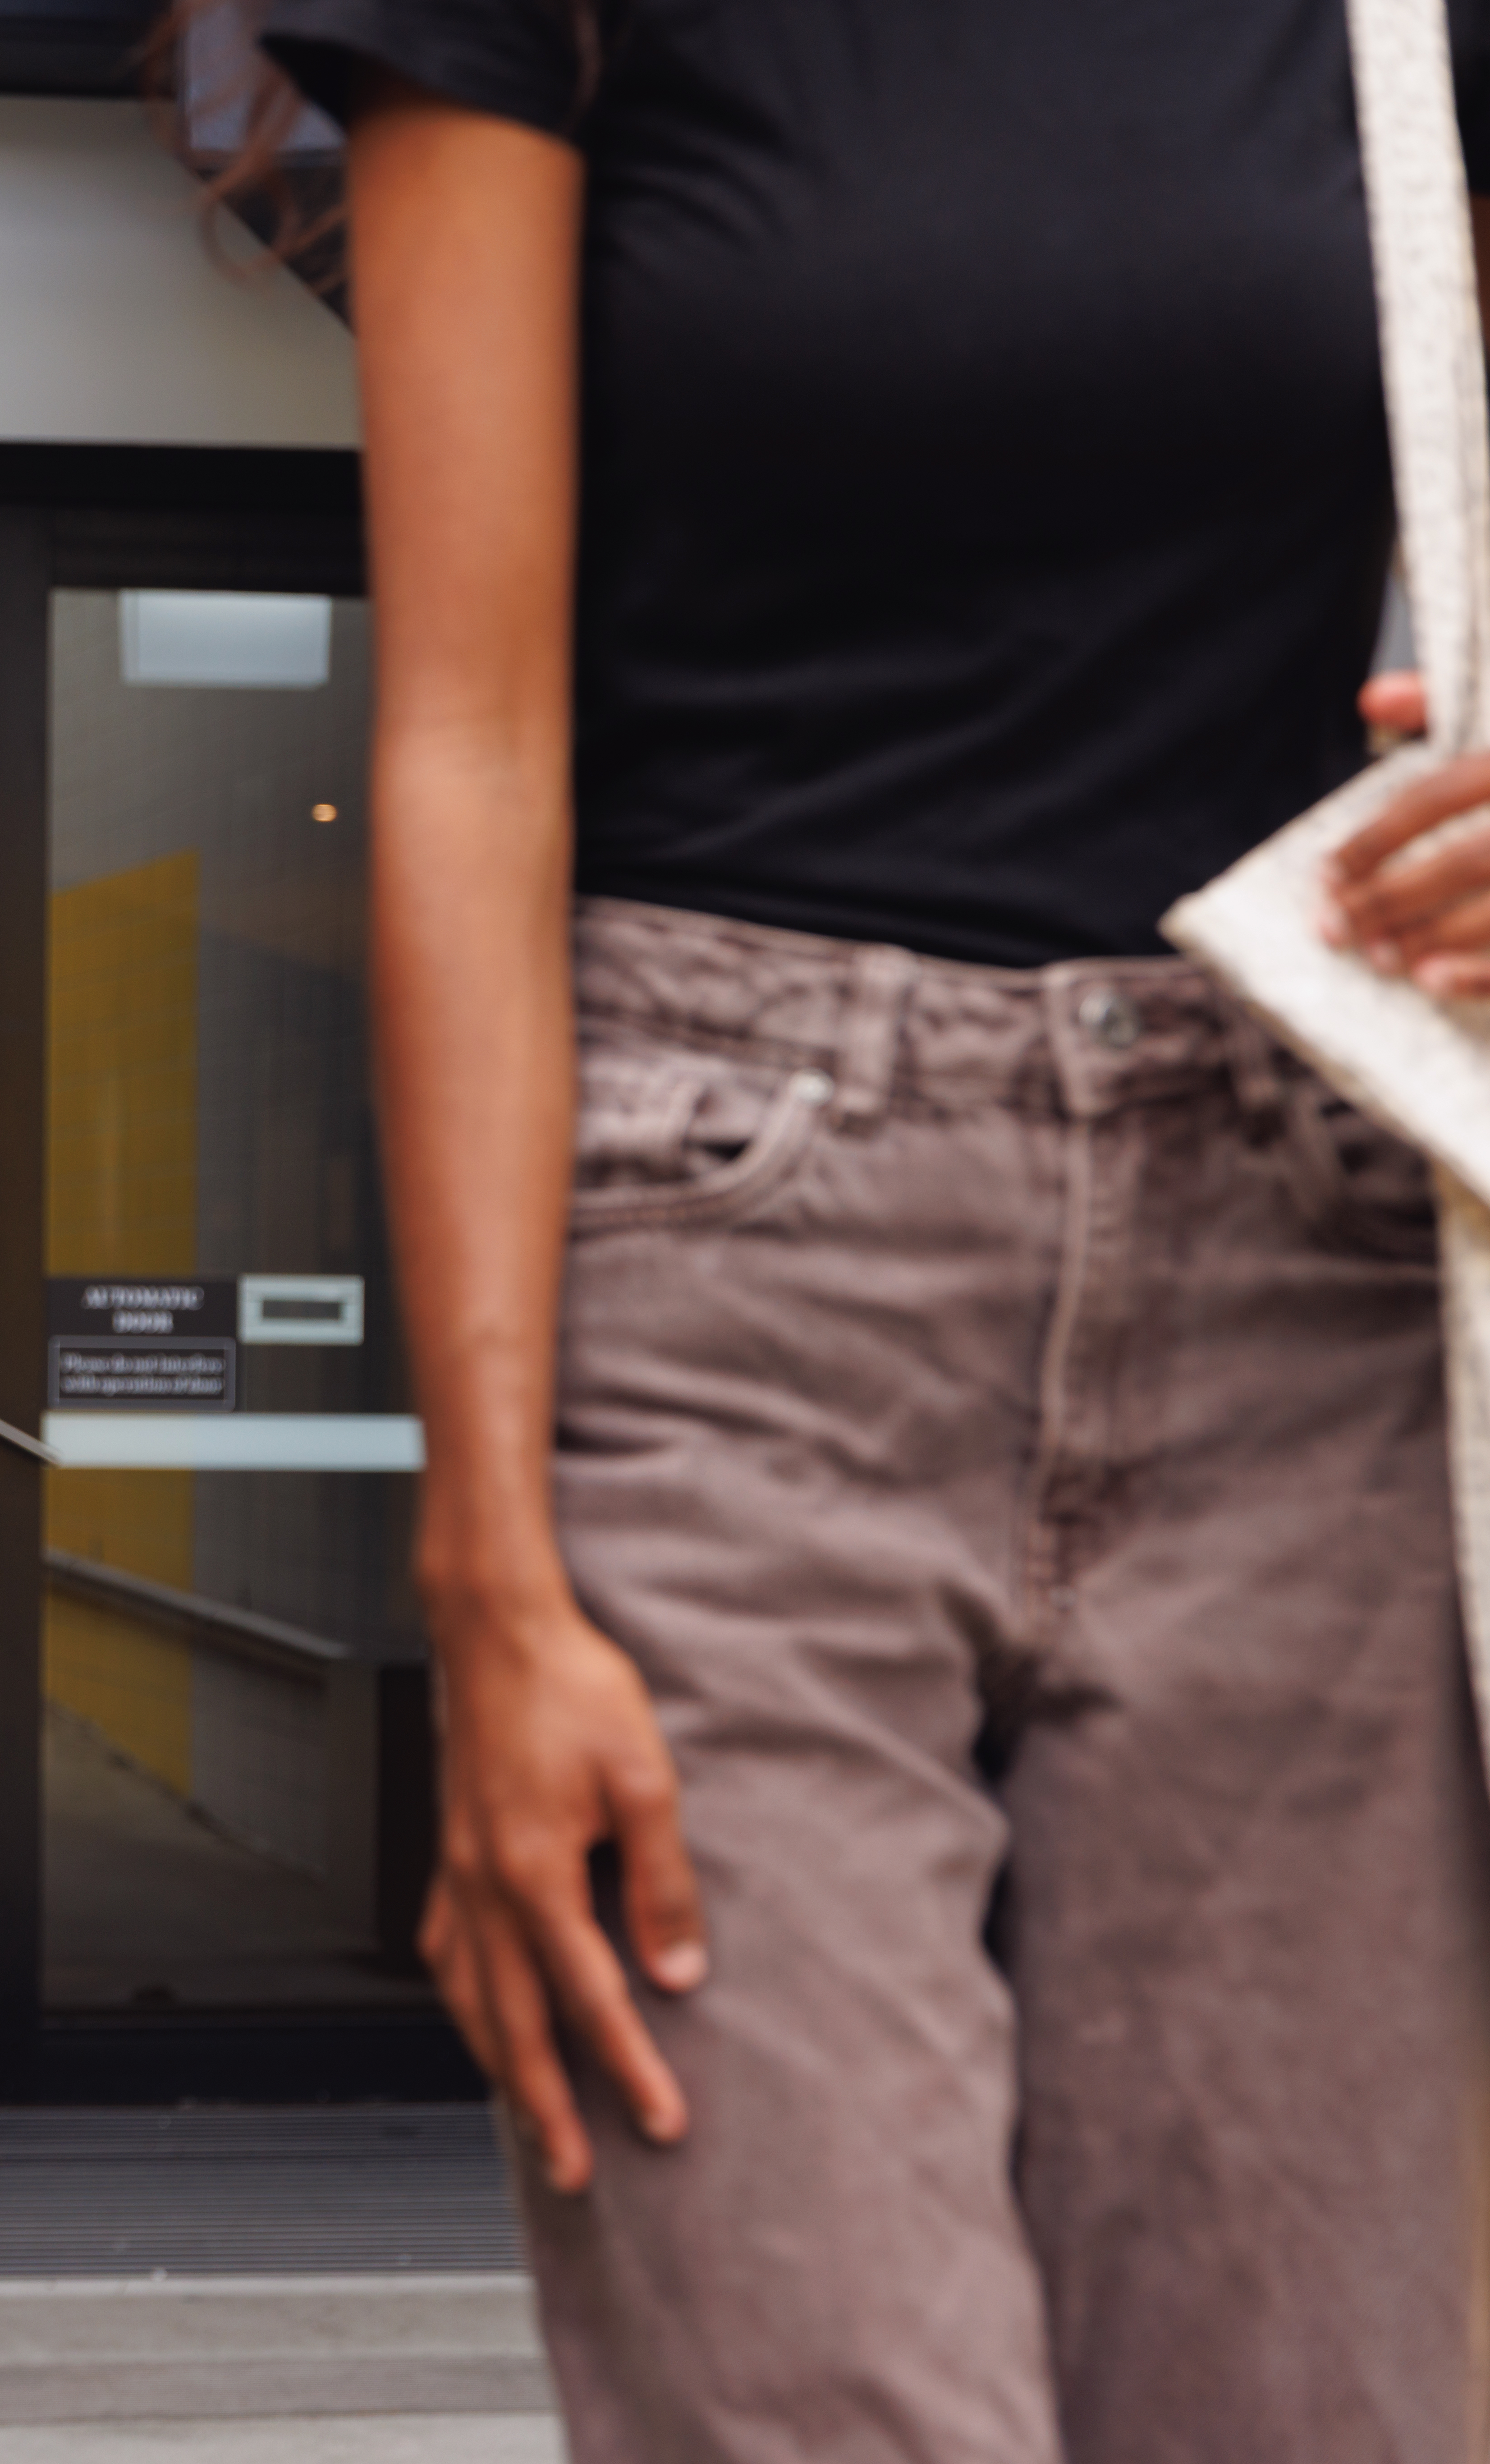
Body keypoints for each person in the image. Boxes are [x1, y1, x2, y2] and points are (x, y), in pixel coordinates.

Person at [215, 4, 1490, 2456]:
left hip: (1314, 1271)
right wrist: (484, 1584)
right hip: (728, 1264)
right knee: (818, 2398)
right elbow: (471, 748)